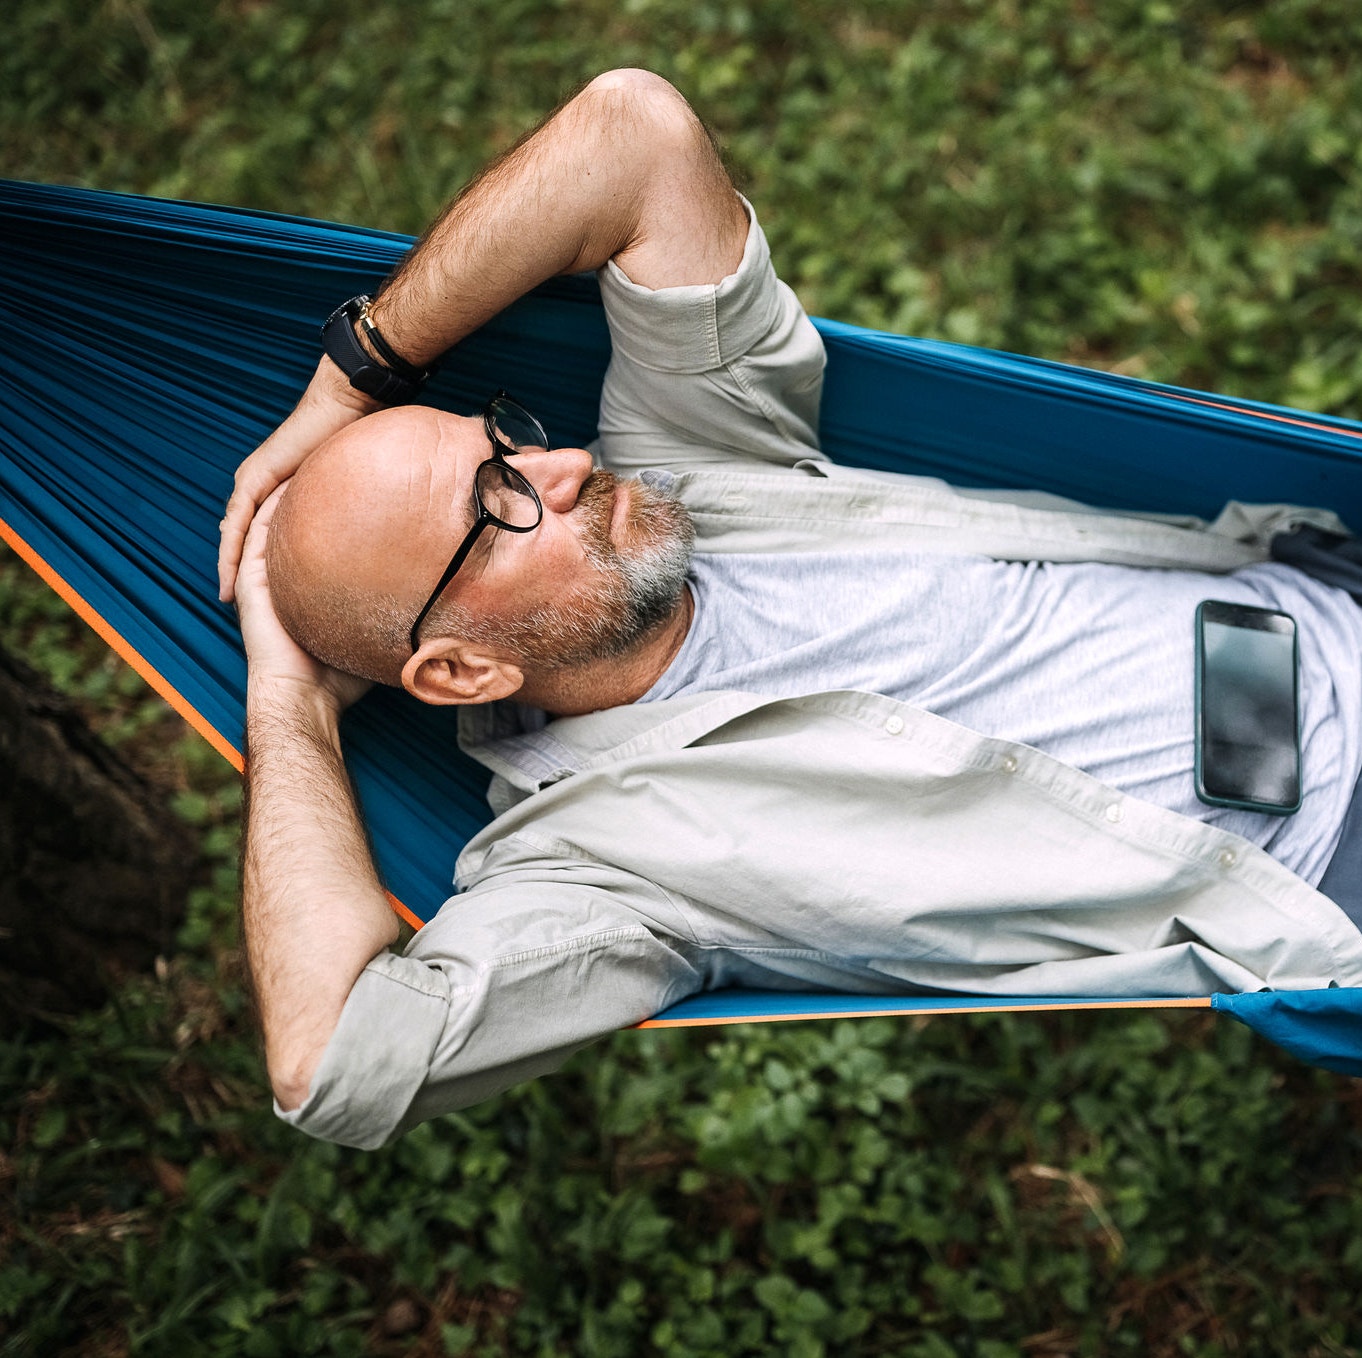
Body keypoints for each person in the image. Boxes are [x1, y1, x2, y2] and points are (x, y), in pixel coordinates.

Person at [221, 70, 1362, 1151]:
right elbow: (331, 1056)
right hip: (1329, 865)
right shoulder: (605, 862)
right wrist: (287, 701)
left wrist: (351, 376)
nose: (563, 462)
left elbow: (637, 133)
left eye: (508, 440)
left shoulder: (700, 465)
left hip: (1325, 595)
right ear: (462, 671)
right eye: (500, 501)